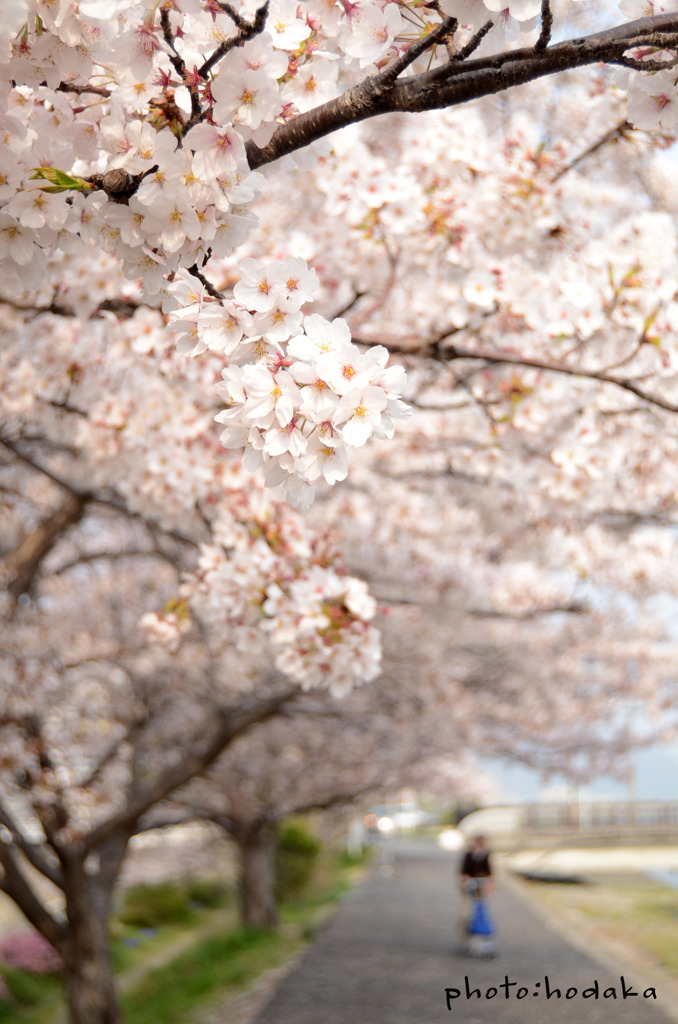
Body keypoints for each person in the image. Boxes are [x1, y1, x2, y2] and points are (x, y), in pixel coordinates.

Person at [458, 834, 494, 940]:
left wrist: (490, 884)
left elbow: (489, 872)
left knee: (483, 910)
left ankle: (482, 932)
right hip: (471, 884)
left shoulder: (485, 855)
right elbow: (463, 871)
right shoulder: (469, 855)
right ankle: (466, 933)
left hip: (481, 885)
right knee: (467, 911)